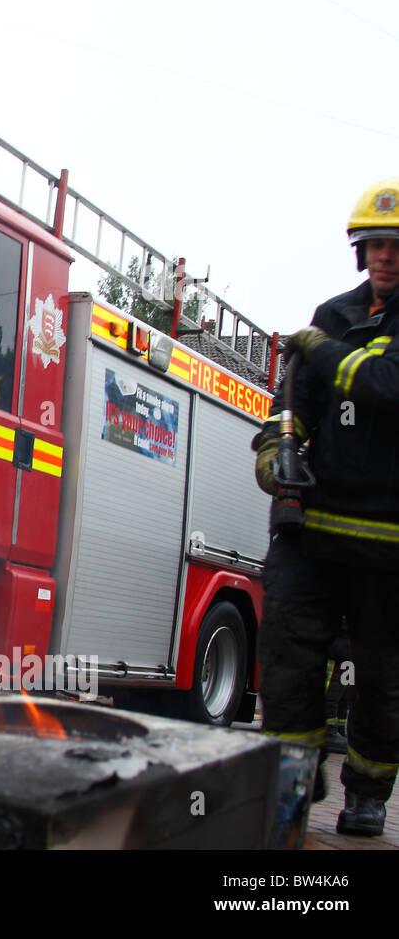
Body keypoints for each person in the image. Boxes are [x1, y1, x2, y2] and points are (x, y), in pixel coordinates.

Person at [254, 177, 399, 837]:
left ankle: (367, 790)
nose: (385, 258)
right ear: (360, 251)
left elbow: (381, 383)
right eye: (374, 246)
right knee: (287, 654)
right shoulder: (333, 312)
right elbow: (294, 402)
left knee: (383, 675)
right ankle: (294, 770)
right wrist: (276, 446)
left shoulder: (329, 335)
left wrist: (316, 347)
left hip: (389, 543)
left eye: (395, 247)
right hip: (312, 530)